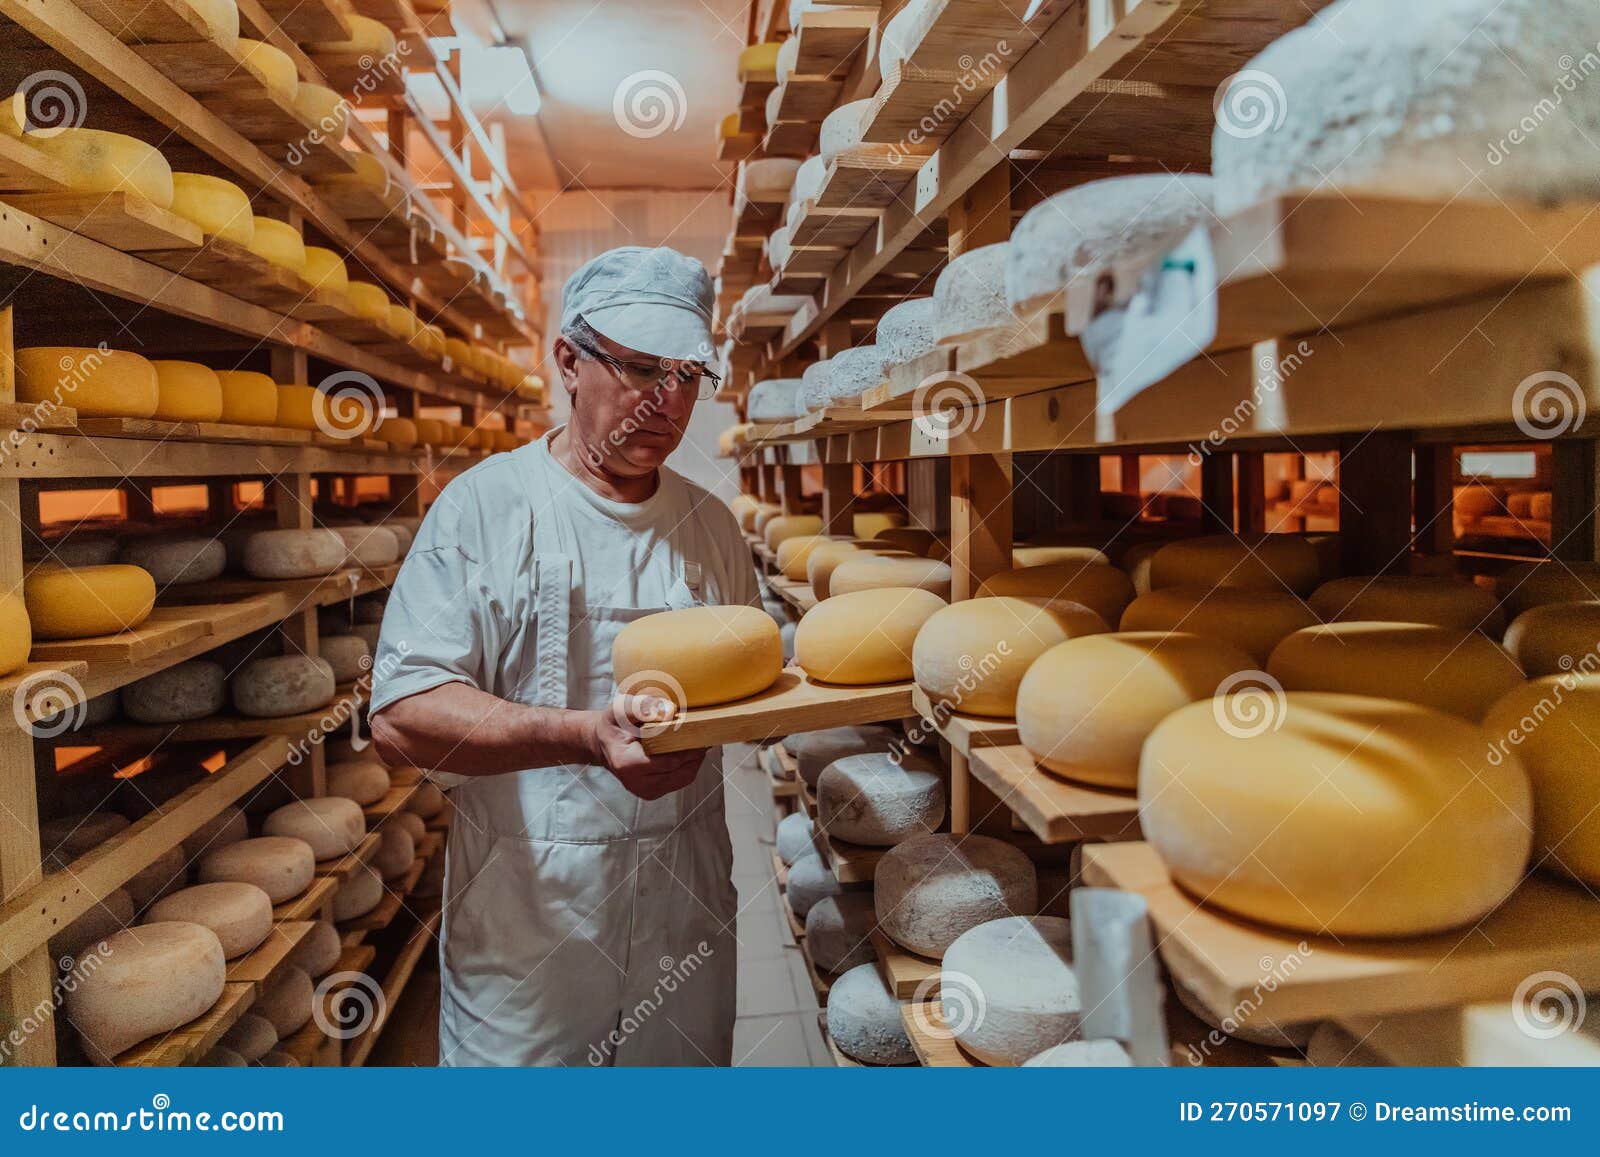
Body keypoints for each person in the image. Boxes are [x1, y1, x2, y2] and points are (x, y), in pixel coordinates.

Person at [368, 246, 760, 1066]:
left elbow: (749, 687)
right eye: (642, 367)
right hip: (529, 937)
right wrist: (585, 734)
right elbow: (403, 715)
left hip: (683, 920)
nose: (667, 400)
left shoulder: (713, 528)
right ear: (569, 361)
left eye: (689, 375)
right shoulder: (486, 508)